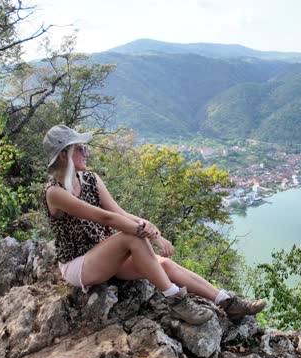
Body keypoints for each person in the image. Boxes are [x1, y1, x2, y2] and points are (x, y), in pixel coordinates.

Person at [43, 125, 264, 325]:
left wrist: (153, 231)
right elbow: (105, 218)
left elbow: (119, 213)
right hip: (79, 264)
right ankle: (176, 301)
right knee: (129, 237)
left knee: (164, 264)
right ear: (64, 155)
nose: (86, 152)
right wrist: (143, 232)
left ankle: (226, 302)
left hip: (105, 255)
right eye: (80, 148)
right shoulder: (55, 193)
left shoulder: (90, 179)